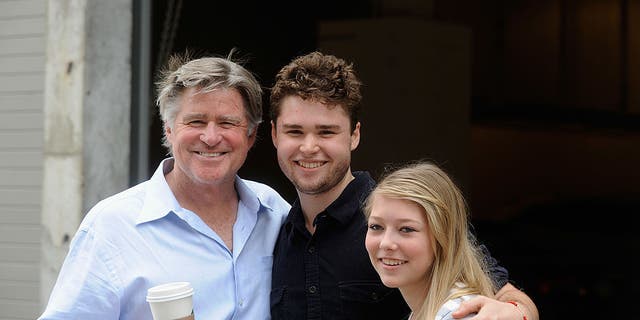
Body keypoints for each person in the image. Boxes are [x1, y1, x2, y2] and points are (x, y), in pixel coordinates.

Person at [269, 51, 539, 320]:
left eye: (326, 131)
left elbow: (507, 297)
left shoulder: (400, 214)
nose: (309, 147)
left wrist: (515, 312)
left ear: (354, 135)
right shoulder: (272, 234)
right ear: (274, 135)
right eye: (294, 131)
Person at [38, 53, 290, 319]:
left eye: (227, 123)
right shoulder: (112, 226)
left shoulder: (273, 212)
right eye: (196, 121)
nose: (211, 137)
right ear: (169, 129)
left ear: (250, 136)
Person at [364, 161, 498, 320]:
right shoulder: (428, 311)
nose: (385, 243)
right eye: (376, 226)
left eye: (406, 229)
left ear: (443, 236)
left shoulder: (459, 315)